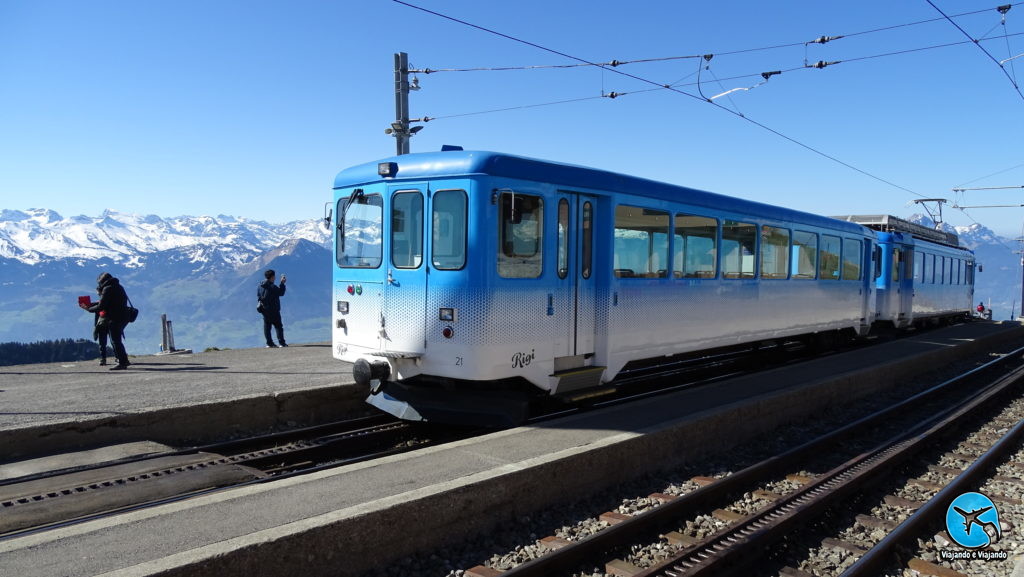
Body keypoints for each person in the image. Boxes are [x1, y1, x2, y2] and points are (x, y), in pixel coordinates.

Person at [79, 272, 130, 370]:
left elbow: (102, 305)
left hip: (114, 317)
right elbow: (109, 301)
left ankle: (123, 362)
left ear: (102, 281)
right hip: (124, 316)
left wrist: (89, 309)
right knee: (117, 339)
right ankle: (123, 360)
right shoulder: (118, 286)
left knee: (115, 341)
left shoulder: (107, 289)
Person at [258, 269, 287, 348]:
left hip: (264, 309)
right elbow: (281, 293)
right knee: (278, 326)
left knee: (267, 327)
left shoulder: (260, 286)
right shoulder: (272, 286)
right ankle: (282, 343)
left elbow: (258, 295)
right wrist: (282, 283)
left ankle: (269, 343)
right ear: (272, 277)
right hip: (273, 309)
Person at [92, 286, 110, 365]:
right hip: (108, 322)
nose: (98, 294)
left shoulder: (102, 301)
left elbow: (99, 307)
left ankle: (103, 359)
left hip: (102, 323)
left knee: (102, 342)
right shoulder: (109, 299)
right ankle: (118, 357)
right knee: (114, 340)